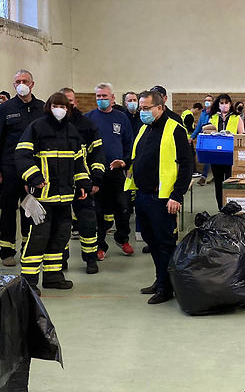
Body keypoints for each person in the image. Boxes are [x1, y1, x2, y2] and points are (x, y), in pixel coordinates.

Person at [15, 92, 92, 294]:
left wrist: (83, 183)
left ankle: (53, 276)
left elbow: (79, 161)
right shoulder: (36, 128)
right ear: (49, 106)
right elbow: (22, 155)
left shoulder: (72, 131)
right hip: (41, 198)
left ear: (69, 109)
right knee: (38, 238)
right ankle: (29, 281)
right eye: (56, 105)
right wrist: (34, 177)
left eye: (64, 106)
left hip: (65, 198)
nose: (60, 109)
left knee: (60, 237)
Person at [125, 89, 193, 304]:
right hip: (143, 196)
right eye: (141, 108)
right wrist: (125, 162)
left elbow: (186, 164)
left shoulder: (175, 129)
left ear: (160, 107)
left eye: (146, 108)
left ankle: (167, 287)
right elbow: (141, 156)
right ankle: (160, 279)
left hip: (163, 198)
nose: (142, 112)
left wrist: (177, 195)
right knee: (151, 241)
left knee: (165, 243)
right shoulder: (145, 128)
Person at [0, 70, 45, 267]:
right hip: (9, 168)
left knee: (30, 209)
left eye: (25, 81)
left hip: (32, 170)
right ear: (14, 85)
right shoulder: (5, 109)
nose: (21, 84)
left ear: (32, 84)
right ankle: (7, 251)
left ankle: (28, 249)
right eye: (18, 81)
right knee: (8, 210)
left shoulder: (42, 108)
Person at [85, 82, 135, 259]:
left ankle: (122, 238)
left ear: (113, 98)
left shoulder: (122, 118)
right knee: (97, 211)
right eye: (98, 96)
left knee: (123, 207)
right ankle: (100, 245)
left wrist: (125, 162)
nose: (101, 99)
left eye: (105, 96)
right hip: (96, 174)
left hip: (116, 173)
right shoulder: (88, 118)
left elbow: (130, 144)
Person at [60, 88, 106, 274]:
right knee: (61, 225)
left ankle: (90, 259)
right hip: (57, 184)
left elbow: (97, 154)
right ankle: (60, 260)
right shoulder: (46, 126)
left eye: (70, 101)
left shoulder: (86, 125)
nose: (67, 106)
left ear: (75, 102)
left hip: (82, 183)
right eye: (63, 103)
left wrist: (96, 179)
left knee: (87, 222)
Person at [205, 93, 245, 209]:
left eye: (226, 103)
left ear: (230, 104)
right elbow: (208, 134)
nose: (224, 105)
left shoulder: (236, 118)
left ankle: (230, 207)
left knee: (230, 183)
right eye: (221, 103)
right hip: (216, 156)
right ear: (218, 105)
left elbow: (242, 136)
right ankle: (221, 208)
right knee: (218, 184)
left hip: (230, 156)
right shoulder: (213, 117)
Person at [191, 94, 215, 185]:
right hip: (203, 137)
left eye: (209, 100)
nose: (207, 102)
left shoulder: (215, 113)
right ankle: (213, 176)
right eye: (205, 100)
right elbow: (199, 127)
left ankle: (204, 177)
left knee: (208, 157)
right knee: (208, 157)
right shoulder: (203, 113)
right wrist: (192, 137)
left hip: (212, 138)